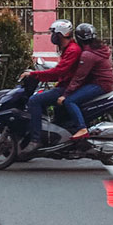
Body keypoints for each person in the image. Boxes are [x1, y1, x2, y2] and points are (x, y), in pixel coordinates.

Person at [21, 20, 80, 149]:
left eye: (53, 33)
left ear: (60, 34)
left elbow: (59, 72)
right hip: (64, 86)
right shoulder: (68, 49)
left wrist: (34, 74)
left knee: (34, 101)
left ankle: (35, 140)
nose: (52, 36)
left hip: (66, 88)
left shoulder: (72, 50)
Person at [58, 24, 113, 139]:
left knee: (70, 101)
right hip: (105, 83)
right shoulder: (100, 49)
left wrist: (65, 94)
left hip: (99, 85)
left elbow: (79, 77)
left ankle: (81, 128)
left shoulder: (87, 55)